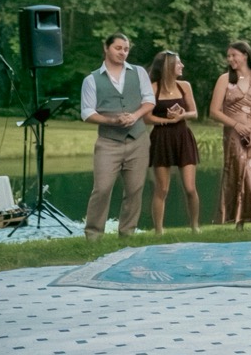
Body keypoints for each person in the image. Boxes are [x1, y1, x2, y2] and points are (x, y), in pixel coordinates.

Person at [80, 33, 155, 240]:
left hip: (138, 139)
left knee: (134, 189)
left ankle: (127, 234)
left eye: (126, 49)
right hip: (108, 142)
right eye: (118, 48)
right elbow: (87, 113)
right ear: (106, 48)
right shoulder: (92, 80)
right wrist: (112, 120)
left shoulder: (138, 72)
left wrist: (135, 116)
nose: (123, 52)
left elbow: (149, 100)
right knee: (102, 188)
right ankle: (93, 235)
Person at [208, 41, 251, 230]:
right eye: (228, 56)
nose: (230, 59)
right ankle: (238, 220)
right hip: (233, 133)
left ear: (245, 55)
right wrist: (236, 125)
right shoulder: (224, 79)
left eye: (234, 55)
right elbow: (214, 111)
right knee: (238, 171)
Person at [146, 50, 200, 235]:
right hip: (161, 138)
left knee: (190, 188)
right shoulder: (153, 88)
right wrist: (166, 120)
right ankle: (159, 230)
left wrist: (182, 115)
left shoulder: (184, 86)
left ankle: (195, 226)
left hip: (183, 136)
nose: (182, 66)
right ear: (168, 66)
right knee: (162, 188)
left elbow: (194, 113)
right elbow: (146, 117)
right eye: (178, 63)